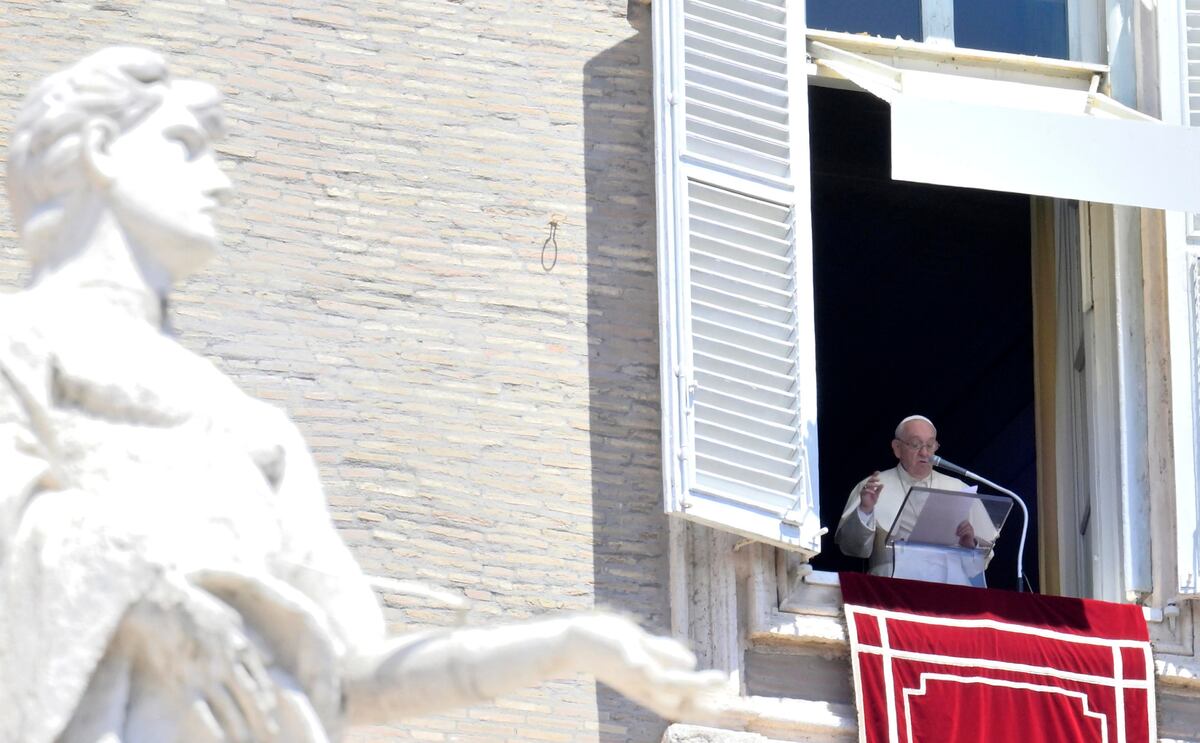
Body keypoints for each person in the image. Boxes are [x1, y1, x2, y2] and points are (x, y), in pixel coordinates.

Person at [0, 47, 722, 743]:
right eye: (186, 145)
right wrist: (147, 594)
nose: (218, 181)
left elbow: (351, 675)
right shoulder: (20, 342)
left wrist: (571, 641)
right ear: (99, 148)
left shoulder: (253, 431)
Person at [834, 414, 977, 576]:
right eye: (916, 444)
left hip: (949, 584)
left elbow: (978, 566)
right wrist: (865, 511)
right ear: (897, 448)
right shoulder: (872, 486)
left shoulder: (958, 488)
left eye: (930, 445)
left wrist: (969, 545)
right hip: (892, 583)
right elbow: (851, 547)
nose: (924, 453)